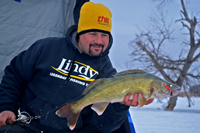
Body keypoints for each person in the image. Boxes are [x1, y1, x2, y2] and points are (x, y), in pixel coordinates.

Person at [0, 2, 153, 133]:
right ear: (80, 32)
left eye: (104, 35)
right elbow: (14, 76)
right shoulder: (46, 47)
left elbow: (104, 126)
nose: (99, 41)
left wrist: (121, 106)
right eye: (93, 33)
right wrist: (6, 107)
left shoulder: (108, 73)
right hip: (29, 126)